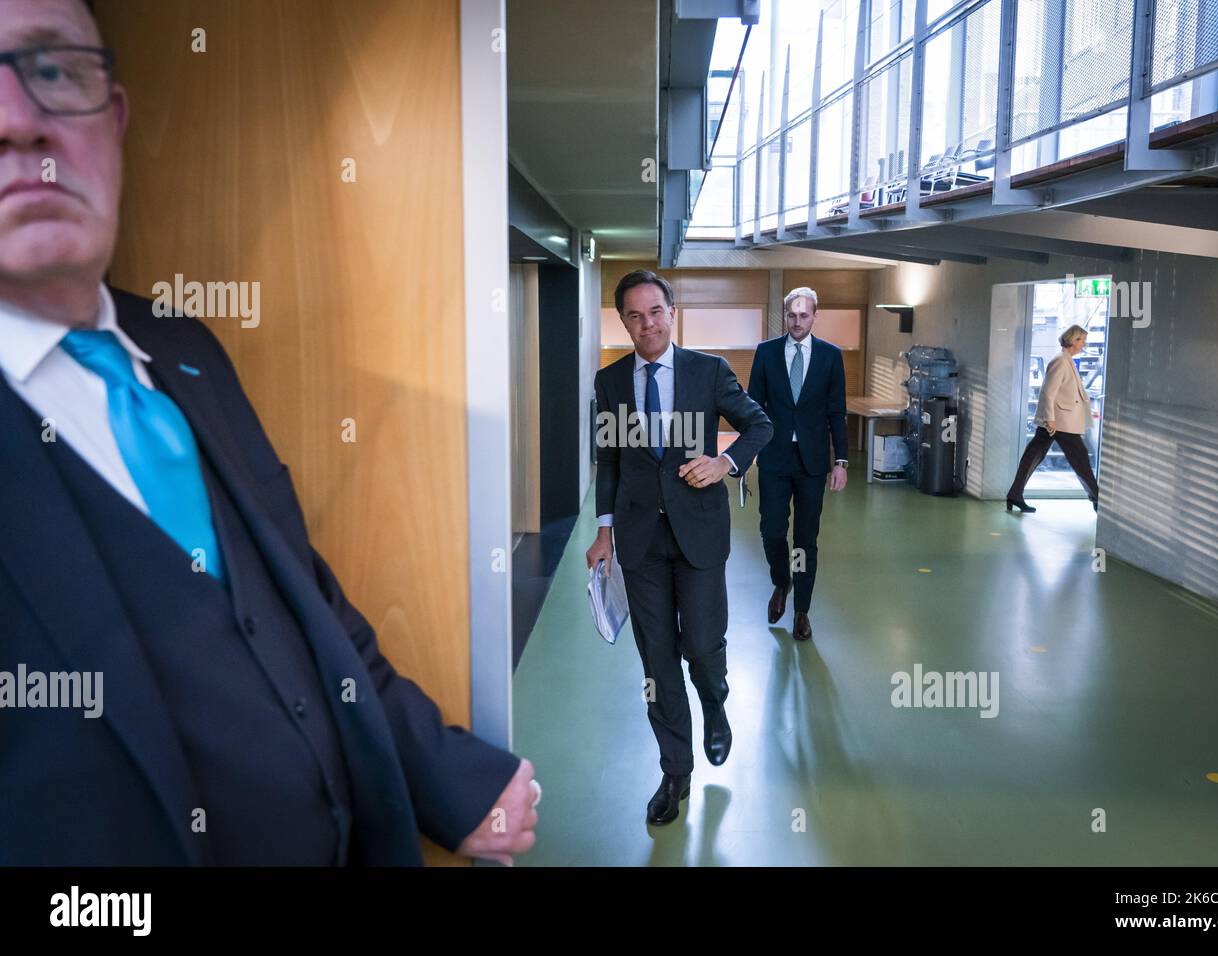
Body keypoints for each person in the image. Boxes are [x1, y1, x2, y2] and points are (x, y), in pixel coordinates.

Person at [0, 0, 537, 866]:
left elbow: (304, 604)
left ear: (117, 119)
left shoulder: (185, 350)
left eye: (54, 70)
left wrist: (448, 777)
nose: (17, 120)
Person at [585, 269, 772, 825]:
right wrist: (603, 532)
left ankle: (714, 702)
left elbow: (758, 426)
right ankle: (675, 770)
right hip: (639, 540)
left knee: (703, 644)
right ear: (624, 321)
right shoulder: (611, 382)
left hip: (699, 533)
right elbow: (611, 460)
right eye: (635, 316)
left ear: (673, 312)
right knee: (657, 659)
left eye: (656, 312)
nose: (648, 324)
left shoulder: (708, 372)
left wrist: (724, 462)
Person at [746, 287, 849, 641]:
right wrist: (743, 455)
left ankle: (802, 609)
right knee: (772, 530)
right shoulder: (766, 353)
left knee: (806, 539)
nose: (797, 321)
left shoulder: (831, 357)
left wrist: (841, 461)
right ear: (784, 315)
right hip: (774, 456)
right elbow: (752, 408)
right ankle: (781, 581)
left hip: (812, 462)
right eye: (792, 315)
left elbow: (837, 411)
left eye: (804, 315)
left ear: (815, 316)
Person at [1006, 324, 1099, 513]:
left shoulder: (1066, 360)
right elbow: (1048, 392)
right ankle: (1097, 498)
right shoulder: (1061, 361)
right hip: (1060, 422)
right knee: (1080, 459)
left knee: (1033, 455)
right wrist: (1050, 419)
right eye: (1083, 341)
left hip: (1058, 421)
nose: (1084, 345)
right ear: (1074, 341)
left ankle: (1014, 494)